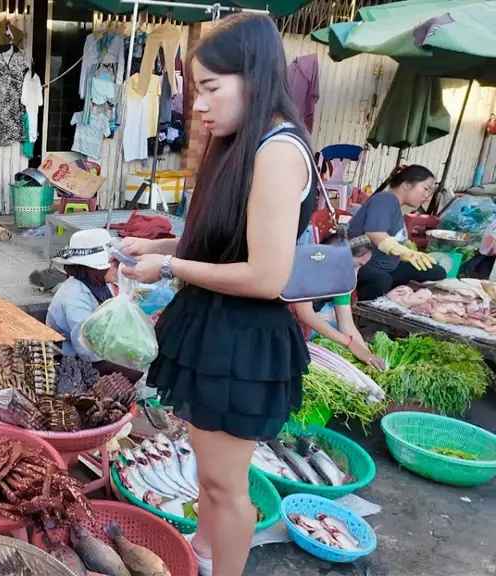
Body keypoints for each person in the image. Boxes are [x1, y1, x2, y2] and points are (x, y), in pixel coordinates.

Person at [114, 14, 315, 576]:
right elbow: (229, 243)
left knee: (227, 488)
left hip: (243, 344)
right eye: (194, 90)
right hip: (216, 327)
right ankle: (201, 553)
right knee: (209, 474)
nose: (197, 106)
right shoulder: (238, 144)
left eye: (209, 88)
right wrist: (159, 245)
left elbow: (267, 275)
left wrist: (171, 264)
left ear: (253, 75)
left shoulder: (277, 150)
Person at [46, 228, 144, 379]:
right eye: (112, 263)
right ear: (93, 268)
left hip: (100, 349)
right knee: (139, 373)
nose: (117, 268)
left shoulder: (101, 284)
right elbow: (88, 352)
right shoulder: (75, 297)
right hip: (73, 360)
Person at [347, 164, 447, 300]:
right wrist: (404, 251)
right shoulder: (385, 199)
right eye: (425, 188)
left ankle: (396, 297)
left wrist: (410, 250)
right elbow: (374, 233)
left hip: (389, 265)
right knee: (382, 279)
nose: (427, 196)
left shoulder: (396, 206)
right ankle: (364, 311)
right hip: (362, 263)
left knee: (436, 272)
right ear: (406, 184)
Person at [291, 234, 385, 369]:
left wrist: (367, 354)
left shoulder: (343, 283)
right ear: (336, 258)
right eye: (355, 265)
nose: (356, 273)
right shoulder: (308, 268)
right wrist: (350, 344)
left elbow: (347, 325)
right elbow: (305, 313)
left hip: (303, 328)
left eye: (360, 267)